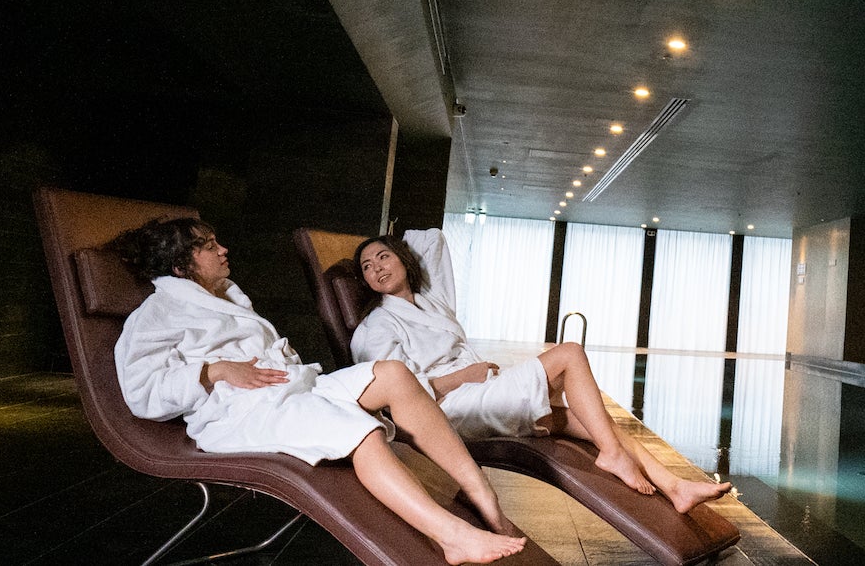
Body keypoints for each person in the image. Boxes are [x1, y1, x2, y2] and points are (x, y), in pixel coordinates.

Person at [111, 217, 526, 566]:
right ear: (181, 267)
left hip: (291, 388)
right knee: (359, 430)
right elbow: (140, 392)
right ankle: (451, 535)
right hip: (243, 412)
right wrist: (213, 370)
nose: (223, 250)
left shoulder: (225, 296)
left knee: (397, 375)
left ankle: (482, 496)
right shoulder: (157, 313)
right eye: (208, 246)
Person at [350, 236, 732, 515]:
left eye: (384, 257)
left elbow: (430, 239)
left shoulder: (431, 302)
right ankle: (612, 455)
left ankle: (675, 486)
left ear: (403, 260)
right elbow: (395, 396)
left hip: (482, 391)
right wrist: (463, 376)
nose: (377, 268)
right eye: (366, 267)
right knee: (569, 354)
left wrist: (475, 375)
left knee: (591, 420)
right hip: (450, 409)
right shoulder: (377, 326)